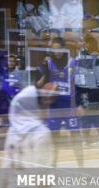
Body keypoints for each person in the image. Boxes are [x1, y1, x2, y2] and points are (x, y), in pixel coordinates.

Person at [36, 37, 83, 168]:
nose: (56, 51)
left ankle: (82, 168)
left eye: (58, 48)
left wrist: (80, 104)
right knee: (53, 139)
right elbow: (39, 84)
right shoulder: (48, 63)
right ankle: (53, 166)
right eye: (54, 49)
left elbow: (78, 85)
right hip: (54, 106)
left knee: (76, 139)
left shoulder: (73, 63)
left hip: (70, 106)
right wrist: (45, 70)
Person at [0, 55, 24, 127]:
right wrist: (5, 57)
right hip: (3, 101)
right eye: (10, 61)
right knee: (2, 126)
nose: (12, 63)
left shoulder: (18, 74)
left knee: (14, 124)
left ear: (15, 63)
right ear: (7, 62)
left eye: (13, 61)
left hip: (14, 100)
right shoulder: (3, 71)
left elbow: (20, 86)